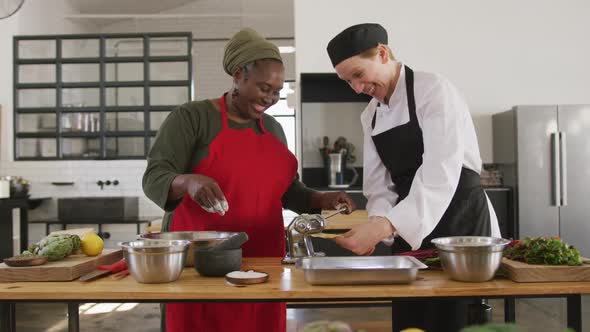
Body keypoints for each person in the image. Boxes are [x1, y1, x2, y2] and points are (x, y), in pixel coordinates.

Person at [143, 28, 354, 332]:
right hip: (205, 265)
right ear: (239, 75)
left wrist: (321, 199)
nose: (270, 98)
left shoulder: (273, 128)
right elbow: (155, 175)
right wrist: (189, 182)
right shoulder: (192, 118)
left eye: (277, 90)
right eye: (264, 87)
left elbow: (287, 190)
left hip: (264, 262)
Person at [326, 23, 501, 331]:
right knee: (411, 314)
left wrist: (386, 224)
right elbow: (380, 186)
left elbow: (441, 171)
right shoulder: (371, 115)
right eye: (346, 81)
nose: (355, 87)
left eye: (357, 74)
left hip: (459, 214)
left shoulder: (433, 89)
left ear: (382, 53)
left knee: (453, 317)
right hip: (407, 223)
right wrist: (376, 227)